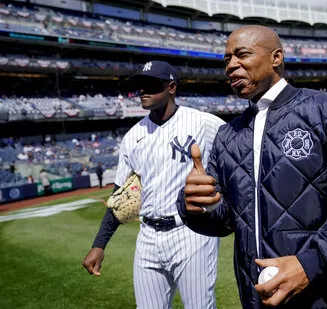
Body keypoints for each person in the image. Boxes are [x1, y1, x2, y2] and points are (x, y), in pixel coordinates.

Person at [178, 25, 327, 309]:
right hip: (256, 300)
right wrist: (200, 204)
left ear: (276, 57)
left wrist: (311, 264)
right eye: (226, 60)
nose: (231, 66)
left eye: (242, 55)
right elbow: (227, 222)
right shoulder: (228, 136)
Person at [81, 61, 225, 309]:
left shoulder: (204, 123)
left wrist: (220, 193)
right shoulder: (132, 137)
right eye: (140, 86)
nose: (142, 92)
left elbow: (237, 161)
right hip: (147, 236)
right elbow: (119, 196)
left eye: (150, 85)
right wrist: (99, 245)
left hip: (192, 231)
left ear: (171, 87)